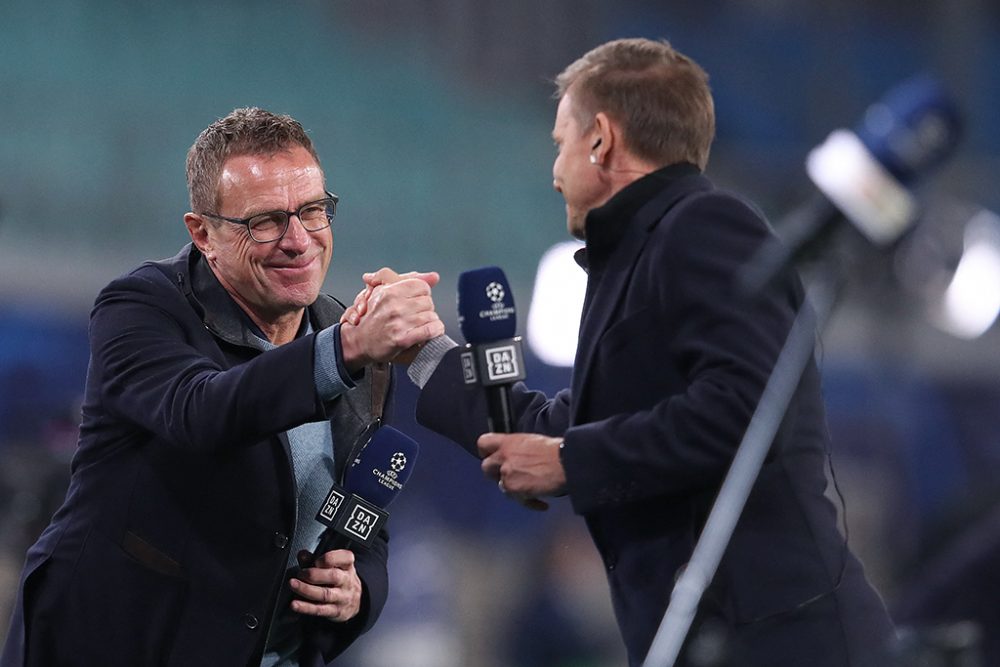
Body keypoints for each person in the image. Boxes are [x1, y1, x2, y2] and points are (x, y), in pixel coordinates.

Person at [346, 39, 896, 666]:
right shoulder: (641, 256)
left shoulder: (707, 226)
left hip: (783, 640)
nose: (554, 171)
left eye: (560, 144)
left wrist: (573, 462)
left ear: (601, 140)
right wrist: (422, 347)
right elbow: (562, 434)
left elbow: (746, 409)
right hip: (726, 639)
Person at [1, 107, 444, 666]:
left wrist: (357, 592)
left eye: (312, 211)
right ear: (202, 233)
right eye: (264, 221)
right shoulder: (141, 307)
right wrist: (349, 348)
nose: (298, 240)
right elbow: (202, 411)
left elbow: (364, 517)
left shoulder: (349, 339)